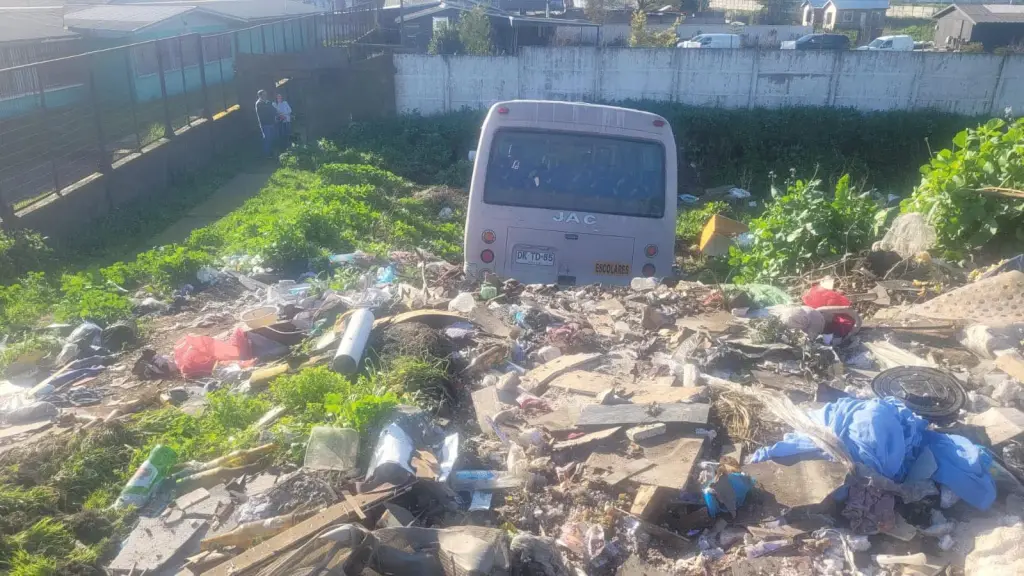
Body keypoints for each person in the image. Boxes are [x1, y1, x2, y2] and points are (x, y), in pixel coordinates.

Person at [255, 90, 277, 158]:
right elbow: (265, 113)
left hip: (271, 122)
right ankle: (267, 154)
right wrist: (269, 106)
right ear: (260, 96)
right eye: (264, 95)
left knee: (272, 138)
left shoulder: (267, 102)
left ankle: (271, 152)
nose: (265, 96)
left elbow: (274, 110)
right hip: (265, 124)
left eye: (266, 95)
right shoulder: (259, 104)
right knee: (267, 139)